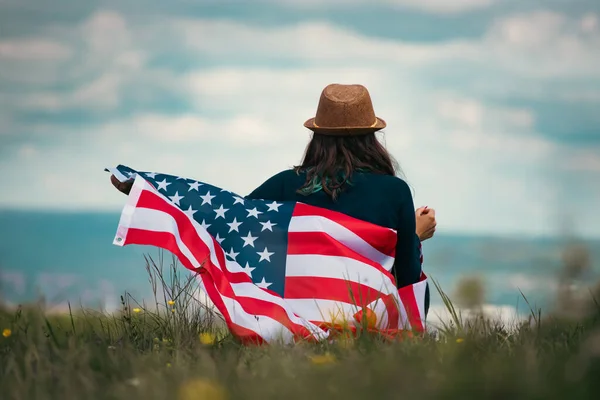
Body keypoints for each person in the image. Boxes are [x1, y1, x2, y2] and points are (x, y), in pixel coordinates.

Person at [110, 83, 437, 314]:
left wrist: (151, 192)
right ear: (372, 139)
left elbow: (224, 219)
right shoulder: (394, 191)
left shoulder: (285, 185)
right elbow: (408, 285)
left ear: (317, 137)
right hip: (368, 325)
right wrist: (414, 237)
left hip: (293, 323)